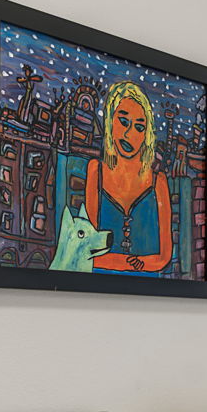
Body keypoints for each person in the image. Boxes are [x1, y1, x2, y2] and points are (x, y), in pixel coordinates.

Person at [82, 80, 173, 274]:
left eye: (139, 128)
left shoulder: (159, 182)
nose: (130, 134)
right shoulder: (95, 171)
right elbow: (89, 249)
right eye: (123, 122)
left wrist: (120, 262)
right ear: (109, 122)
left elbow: (163, 257)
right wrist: (136, 264)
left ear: (147, 134)